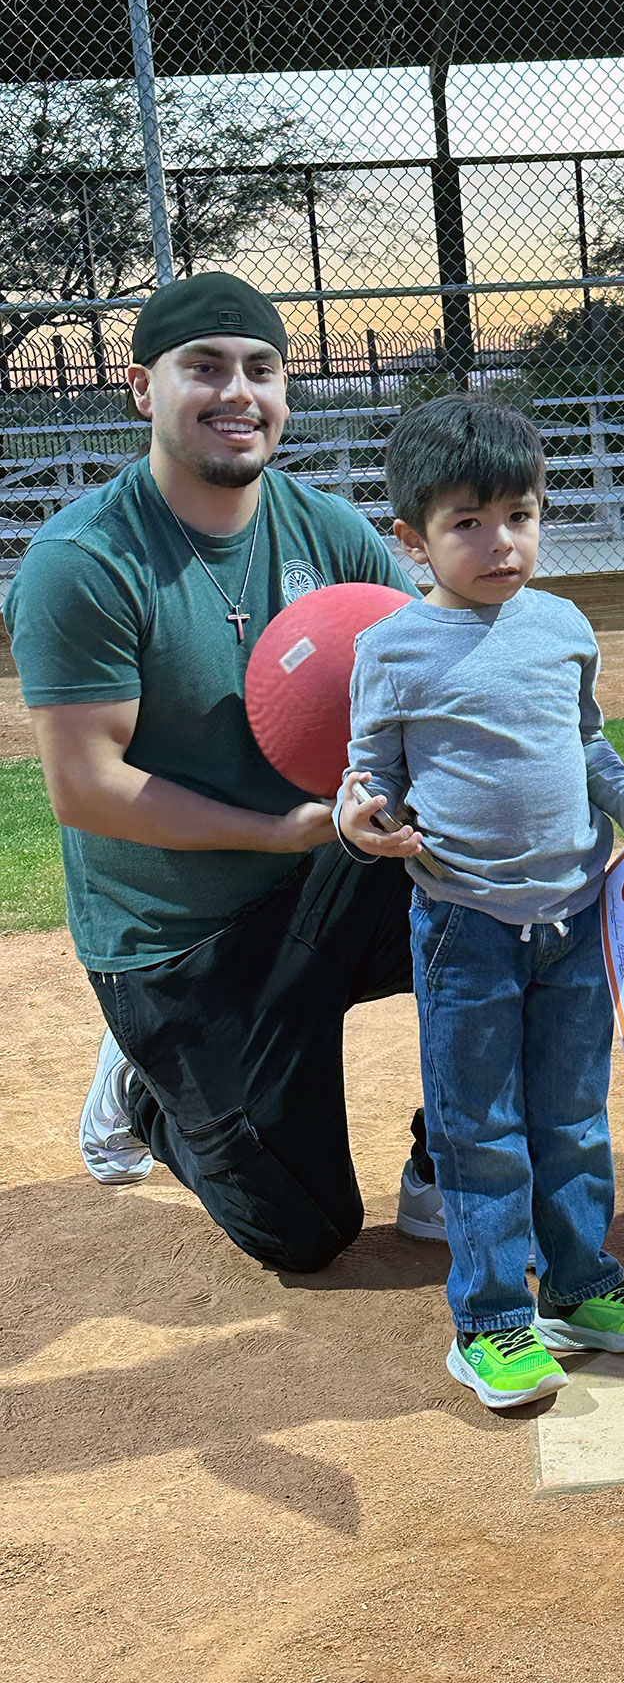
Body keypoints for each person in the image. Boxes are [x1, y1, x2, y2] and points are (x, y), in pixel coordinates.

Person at [4, 271, 443, 1272]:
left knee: (524, 879)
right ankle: (148, 1085)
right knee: (305, 1234)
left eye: (262, 370)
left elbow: (433, 674)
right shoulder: (85, 562)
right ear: (140, 386)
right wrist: (283, 829)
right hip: (179, 942)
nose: (237, 392)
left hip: (317, 879)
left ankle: (449, 1153)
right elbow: (86, 787)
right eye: (203, 368)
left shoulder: (325, 529)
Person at [336, 394, 624, 1408]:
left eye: (521, 516)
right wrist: (363, 821)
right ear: (412, 540)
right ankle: (490, 1321)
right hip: (466, 928)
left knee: (573, 1114)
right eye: (468, 523)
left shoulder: (564, 626)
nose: (503, 543)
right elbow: (370, 776)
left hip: (573, 920)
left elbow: (585, 743)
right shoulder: (393, 651)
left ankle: (579, 1285)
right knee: (477, 1129)